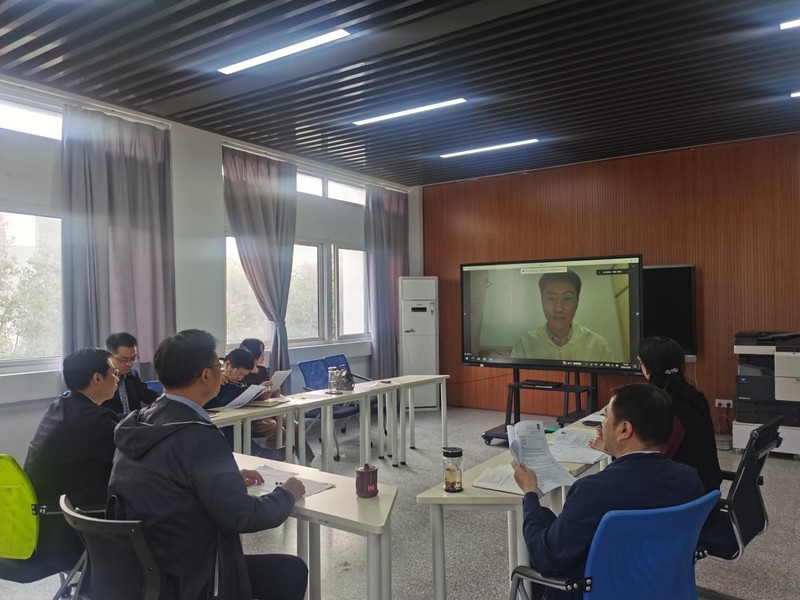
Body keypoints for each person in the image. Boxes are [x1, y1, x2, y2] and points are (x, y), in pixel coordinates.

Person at [108, 329, 307, 600]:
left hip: (140, 571)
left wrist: (224, 479)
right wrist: (286, 494)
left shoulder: (137, 422)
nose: (221, 371)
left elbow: (171, 480)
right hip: (194, 575)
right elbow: (242, 516)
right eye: (218, 366)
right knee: (292, 571)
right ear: (205, 375)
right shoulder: (198, 434)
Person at [512, 383, 705, 599]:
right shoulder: (689, 479)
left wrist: (530, 493)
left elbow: (546, 558)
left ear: (624, 429)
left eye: (605, 418)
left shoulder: (592, 491)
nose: (602, 426)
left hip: (595, 591)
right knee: (546, 517)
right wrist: (616, 451)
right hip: (662, 587)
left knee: (538, 519)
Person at [23, 348, 120, 572]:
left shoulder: (62, 405)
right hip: (67, 532)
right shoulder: (94, 419)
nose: (117, 378)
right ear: (97, 378)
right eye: (114, 373)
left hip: (43, 522)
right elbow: (128, 459)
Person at [638, 336, 722, 491]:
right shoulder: (695, 396)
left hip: (684, 491)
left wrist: (611, 448)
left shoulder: (662, 406)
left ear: (648, 369)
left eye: (641, 362)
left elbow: (655, 458)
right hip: (705, 486)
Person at [511, 270, 614, 362]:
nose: (559, 308)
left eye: (567, 298)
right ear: (542, 301)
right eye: (551, 298)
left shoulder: (597, 345)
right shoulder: (525, 345)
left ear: (577, 302)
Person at [105, 331, 160, 417]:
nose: (129, 364)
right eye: (124, 360)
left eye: (133, 358)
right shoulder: (100, 381)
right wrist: (139, 417)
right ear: (108, 356)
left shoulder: (132, 376)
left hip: (134, 423)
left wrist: (167, 401)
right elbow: (105, 416)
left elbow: (150, 395)